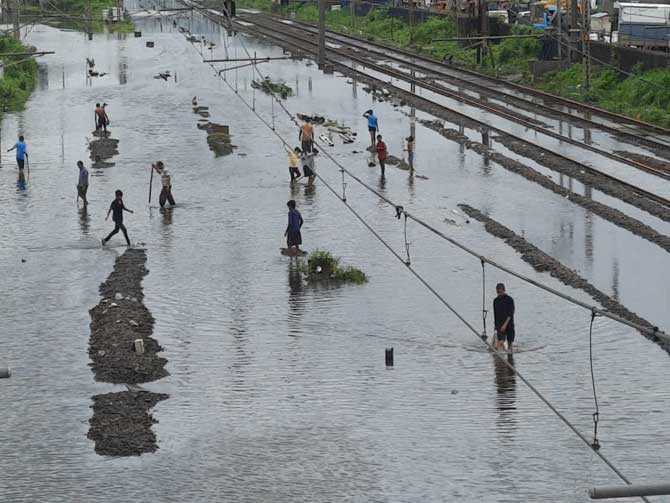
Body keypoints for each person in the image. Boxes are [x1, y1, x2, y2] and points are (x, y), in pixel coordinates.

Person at [493, 283, 515, 352]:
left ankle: (510, 356)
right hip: (499, 324)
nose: (499, 293)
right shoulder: (495, 301)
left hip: (509, 324)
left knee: (510, 343)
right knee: (500, 342)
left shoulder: (509, 300)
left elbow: (510, 313)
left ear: (504, 290)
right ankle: (500, 360)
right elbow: (495, 314)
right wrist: (496, 325)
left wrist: (505, 325)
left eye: (500, 291)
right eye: (498, 292)